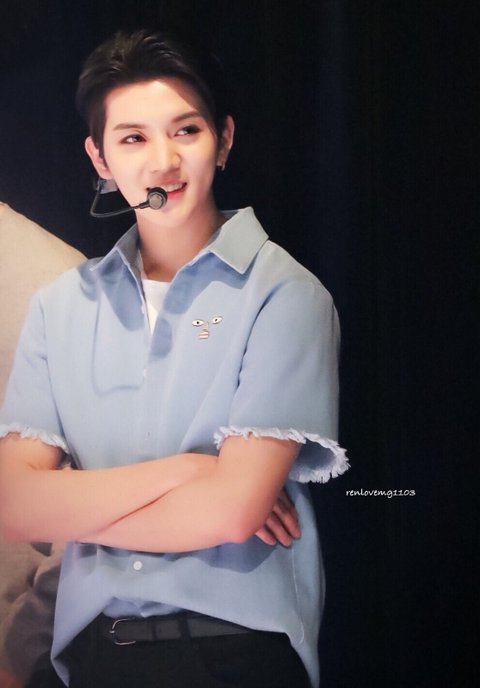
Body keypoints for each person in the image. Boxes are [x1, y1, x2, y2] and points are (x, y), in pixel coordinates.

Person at [0, 30, 349, 688]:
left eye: (186, 130)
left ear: (224, 138)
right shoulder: (61, 305)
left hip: (231, 652)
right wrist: (190, 470)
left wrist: (74, 504)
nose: (163, 161)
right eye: (133, 138)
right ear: (100, 158)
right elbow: (15, 506)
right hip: (92, 656)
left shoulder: (283, 293)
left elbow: (231, 513)